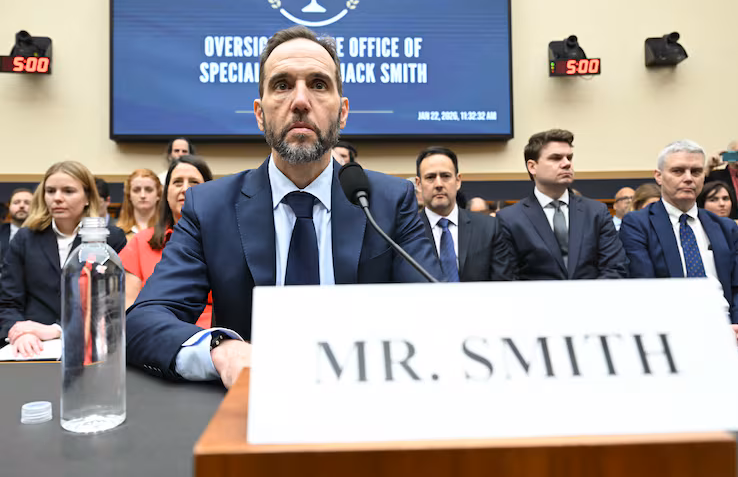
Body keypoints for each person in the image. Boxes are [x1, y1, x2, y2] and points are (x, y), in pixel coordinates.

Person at [125, 26, 443, 387]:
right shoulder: (210, 207)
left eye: (319, 85)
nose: (301, 101)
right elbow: (145, 319)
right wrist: (222, 351)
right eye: (282, 85)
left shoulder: (387, 201)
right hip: (251, 408)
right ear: (259, 113)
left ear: (342, 113)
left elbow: (433, 316)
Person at [618, 140, 738, 346]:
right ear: (659, 176)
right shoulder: (638, 224)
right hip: (679, 331)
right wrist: (713, 331)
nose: (688, 178)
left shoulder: (725, 227)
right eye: (678, 171)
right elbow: (646, 290)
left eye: (696, 171)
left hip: (733, 325)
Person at [0, 161, 127, 356]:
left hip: (93, 343)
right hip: (33, 344)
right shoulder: (25, 238)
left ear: (88, 197)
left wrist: (58, 330)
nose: (57, 198)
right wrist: (18, 332)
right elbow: (8, 301)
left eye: (68, 191)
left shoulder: (110, 238)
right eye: (50, 191)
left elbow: (111, 303)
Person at [497, 129, 627, 280]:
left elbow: (614, 268)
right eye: (556, 158)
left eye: (569, 158)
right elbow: (508, 278)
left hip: (592, 301)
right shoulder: (510, 219)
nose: (566, 164)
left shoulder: (596, 212)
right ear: (532, 167)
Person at [120, 156, 214, 327]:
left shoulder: (230, 242)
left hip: (221, 341)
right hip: (157, 340)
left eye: (194, 182)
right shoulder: (140, 243)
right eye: (177, 182)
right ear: (166, 194)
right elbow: (128, 308)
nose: (185, 189)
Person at [416, 147, 513, 282]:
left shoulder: (489, 228)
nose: (439, 184)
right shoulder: (405, 232)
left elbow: (503, 284)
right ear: (419, 184)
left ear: (458, 181)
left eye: (445, 176)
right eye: (430, 177)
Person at [116, 169, 162, 240]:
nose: (142, 195)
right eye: (136, 190)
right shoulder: (118, 233)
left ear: (158, 194)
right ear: (129, 195)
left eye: (149, 190)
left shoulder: (168, 231)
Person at [0, 188, 33, 265]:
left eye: (27, 203)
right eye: (16, 202)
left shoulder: (47, 233)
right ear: (9, 207)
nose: (21, 206)